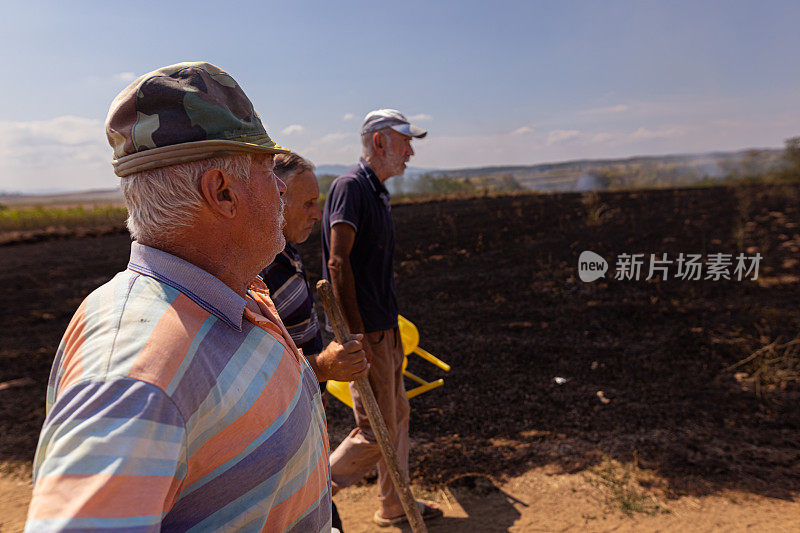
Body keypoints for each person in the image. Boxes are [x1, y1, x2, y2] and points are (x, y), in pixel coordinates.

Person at [25, 62, 334, 532]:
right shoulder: (134, 378)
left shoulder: (230, 290)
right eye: (269, 169)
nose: (279, 189)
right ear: (223, 192)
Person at [321, 109, 443, 527]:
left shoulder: (377, 193)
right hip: (367, 331)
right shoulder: (350, 188)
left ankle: (394, 505)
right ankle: (312, 491)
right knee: (376, 430)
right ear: (378, 143)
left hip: (385, 328)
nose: (410, 152)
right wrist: (356, 335)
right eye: (404, 142)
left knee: (397, 418)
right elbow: (338, 264)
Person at [260, 151, 370, 532]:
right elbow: (257, 372)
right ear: (274, 198)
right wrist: (323, 366)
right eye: (307, 203)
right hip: (280, 432)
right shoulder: (255, 272)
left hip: (305, 416)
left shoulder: (285, 253)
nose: (316, 214)